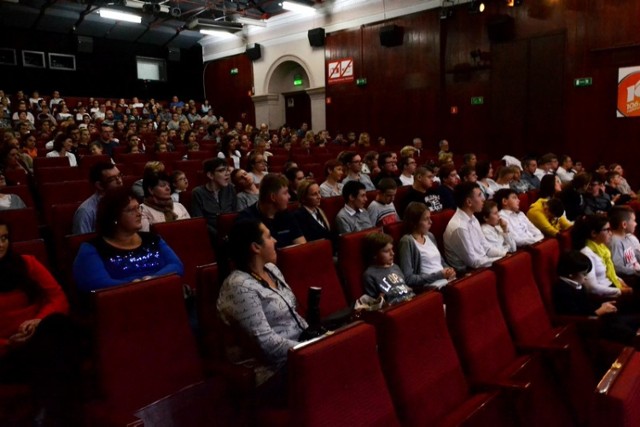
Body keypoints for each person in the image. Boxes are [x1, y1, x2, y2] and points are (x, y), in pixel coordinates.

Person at [0, 220, 85, 425]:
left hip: (42, 335)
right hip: (7, 352)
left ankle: (50, 413)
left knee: (56, 327)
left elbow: (58, 298)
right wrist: (9, 343)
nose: (1, 244)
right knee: (58, 346)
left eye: (3, 238)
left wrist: (38, 321)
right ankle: (60, 412)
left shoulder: (26, 263)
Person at [217, 219, 308, 389]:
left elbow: (294, 314)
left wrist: (318, 338)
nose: (275, 241)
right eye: (269, 236)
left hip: (299, 353)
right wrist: (310, 349)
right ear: (255, 247)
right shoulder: (238, 286)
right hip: (271, 371)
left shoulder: (272, 270)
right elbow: (265, 343)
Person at [73, 187, 184, 292]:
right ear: (114, 217)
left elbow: (176, 265)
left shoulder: (152, 239)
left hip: (161, 294)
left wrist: (152, 279)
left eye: (138, 207)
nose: (139, 214)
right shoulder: (92, 248)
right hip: (119, 305)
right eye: (131, 210)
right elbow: (95, 283)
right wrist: (132, 285)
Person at [554, 251, 639, 344]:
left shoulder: (576, 283)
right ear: (571, 274)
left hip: (601, 319)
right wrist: (599, 311)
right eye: (584, 274)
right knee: (628, 333)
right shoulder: (562, 290)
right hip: (591, 326)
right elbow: (575, 316)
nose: (586, 278)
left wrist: (603, 305)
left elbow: (587, 304)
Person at [444, 182, 507, 274]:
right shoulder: (459, 227)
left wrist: (504, 255)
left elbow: (486, 247)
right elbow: (473, 262)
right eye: (479, 195)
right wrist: (501, 259)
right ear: (469, 202)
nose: (483, 199)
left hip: (483, 262)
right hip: (467, 272)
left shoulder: (473, 218)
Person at [237, 173, 306, 248]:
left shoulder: (286, 214)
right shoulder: (247, 220)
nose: (289, 196)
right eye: (285, 193)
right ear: (273, 197)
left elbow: (302, 246)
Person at [398, 202, 456, 291]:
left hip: (447, 281)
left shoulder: (430, 236)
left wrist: (449, 270)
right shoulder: (407, 241)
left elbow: (441, 262)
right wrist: (439, 275)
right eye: (426, 219)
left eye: (430, 218)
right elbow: (409, 278)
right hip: (431, 288)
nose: (431, 222)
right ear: (415, 222)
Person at [572, 215, 632, 299]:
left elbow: (609, 272)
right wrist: (620, 291)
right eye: (607, 230)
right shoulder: (586, 254)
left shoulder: (602, 248)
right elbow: (592, 287)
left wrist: (621, 281)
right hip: (603, 296)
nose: (611, 233)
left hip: (612, 287)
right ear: (594, 233)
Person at [362, 232, 415, 304]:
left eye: (392, 249)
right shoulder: (369, 275)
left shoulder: (395, 267)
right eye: (386, 251)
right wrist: (379, 300)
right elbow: (373, 302)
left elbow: (405, 285)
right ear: (374, 254)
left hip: (411, 299)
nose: (392, 253)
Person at [191, 158, 237, 239]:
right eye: (221, 170)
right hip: (211, 237)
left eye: (227, 170)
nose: (227, 173)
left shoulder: (230, 188)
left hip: (232, 234)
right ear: (210, 175)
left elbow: (235, 213)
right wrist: (219, 235)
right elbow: (199, 221)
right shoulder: (198, 193)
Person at [72, 162, 123, 235]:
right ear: (99, 185)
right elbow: (82, 242)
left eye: (119, 175)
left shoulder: (125, 202)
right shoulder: (86, 211)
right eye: (112, 179)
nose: (120, 181)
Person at [293, 179, 334, 245]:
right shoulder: (298, 216)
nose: (319, 197)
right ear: (303, 198)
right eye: (314, 194)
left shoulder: (320, 211)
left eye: (319, 192)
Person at [608, 206, 640, 279]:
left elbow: (637, 254)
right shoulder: (614, 242)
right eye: (634, 220)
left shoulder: (630, 238)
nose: (636, 224)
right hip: (629, 278)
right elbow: (617, 267)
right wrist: (635, 271)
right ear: (624, 224)